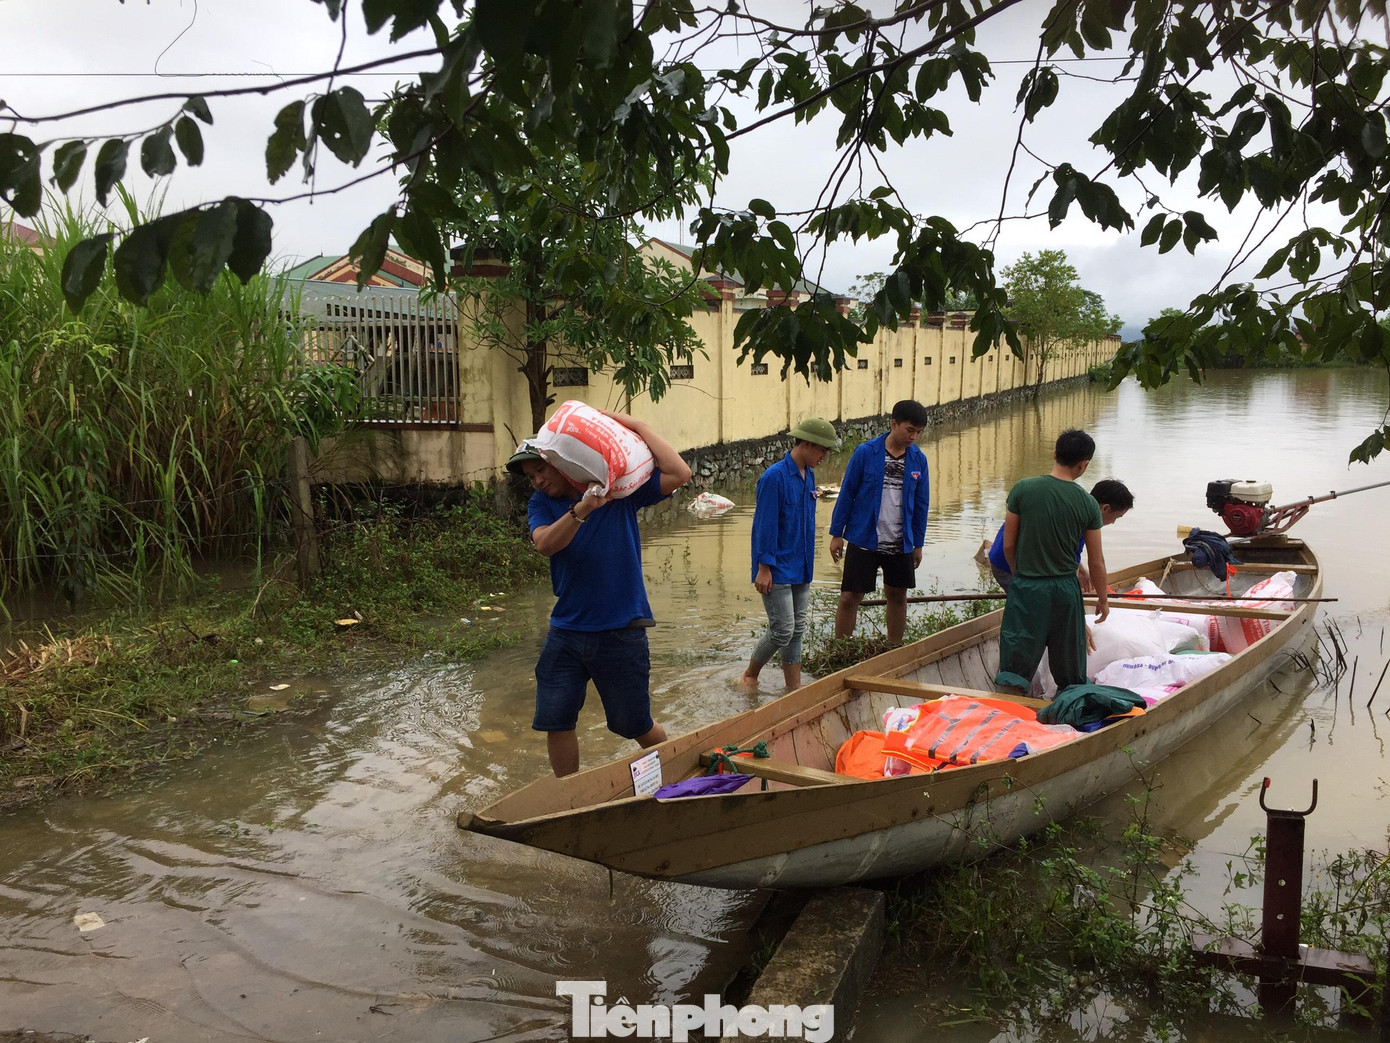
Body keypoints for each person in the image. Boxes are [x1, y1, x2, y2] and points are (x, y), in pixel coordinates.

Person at [509, 411, 693, 777]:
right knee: (556, 719)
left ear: (560, 463)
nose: (537, 482)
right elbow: (545, 544)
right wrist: (582, 510)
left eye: (540, 471)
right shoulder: (543, 506)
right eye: (530, 478)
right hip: (567, 630)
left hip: (621, 629)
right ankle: (570, 796)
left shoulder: (618, 491)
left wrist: (639, 426)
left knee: (633, 724)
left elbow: (680, 474)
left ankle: (681, 771)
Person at [994, 429, 1110, 694]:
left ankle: (1011, 711)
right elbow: (1096, 561)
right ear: (1084, 464)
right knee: (1069, 664)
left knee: (1015, 662)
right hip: (1065, 591)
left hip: (1027, 587)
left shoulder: (1023, 489)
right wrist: (1103, 599)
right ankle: (1068, 714)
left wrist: (1019, 575)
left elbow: (1009, 544)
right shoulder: (1088, 504)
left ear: (1055, 453)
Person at [739, 417, 842, 690]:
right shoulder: (775, 477)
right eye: (822, 451)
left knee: (796, 630)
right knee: (782, 629)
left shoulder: (809, 475)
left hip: (801, 565)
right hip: (777, 566)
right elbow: (765, 524)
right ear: (807, 444)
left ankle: (793, 689)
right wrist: (764, 567)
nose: (824, 457)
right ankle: (750, 674)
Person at [828, 399, 931, 646]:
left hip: (899, 541)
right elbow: (847, 493)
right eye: (910, 430)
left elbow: (921, 505)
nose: (913, 437)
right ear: (894, 424)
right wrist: (836, 534)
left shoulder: (919, 460)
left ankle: (893, 646)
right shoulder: (866, 453)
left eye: (918, 432)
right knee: (850, 596)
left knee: (897, 595)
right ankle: (841, 649)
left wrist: (918, 543)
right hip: (865, 538)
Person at [986, 478, 1134, 592]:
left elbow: (1065, 553)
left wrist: (1081, 570)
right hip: (1008, 565)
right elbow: (1086, 565)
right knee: (1036, 610)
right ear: (1105, 508)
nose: (1113, 522)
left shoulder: (1074, 503)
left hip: (1007, 554)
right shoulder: (1085, 520)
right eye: (1117, 517)